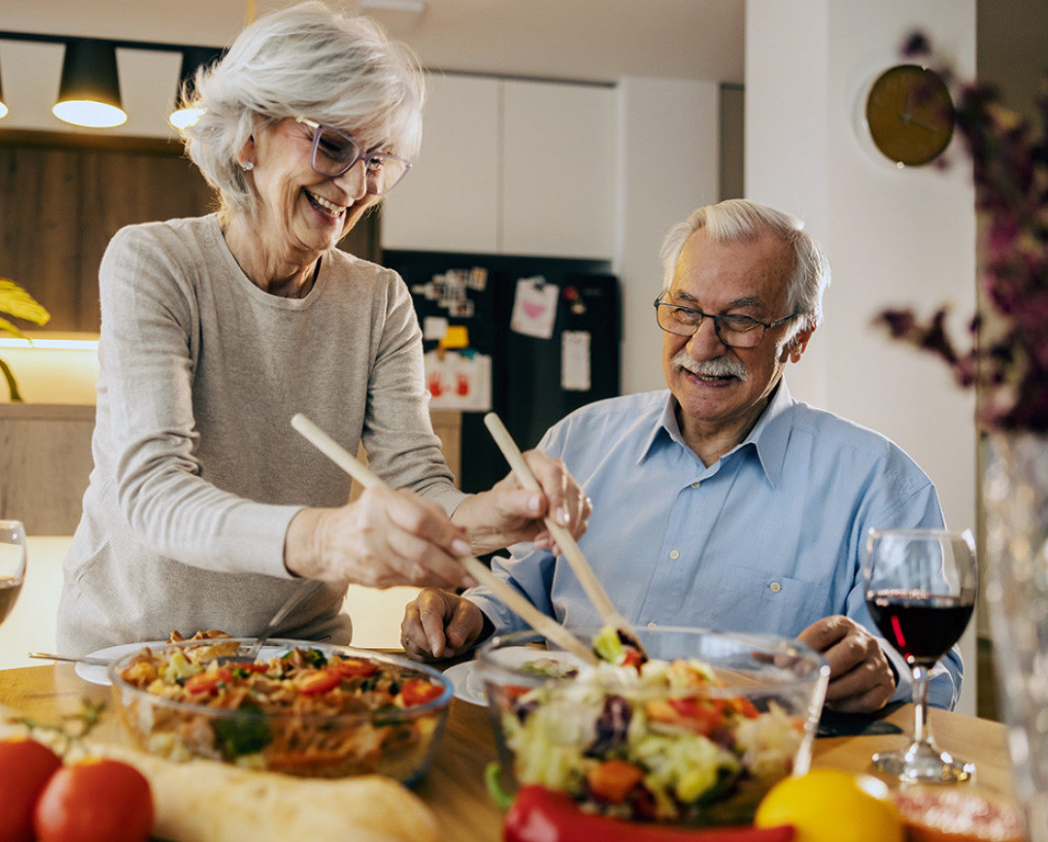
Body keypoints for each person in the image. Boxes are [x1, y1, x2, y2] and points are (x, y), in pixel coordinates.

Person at [56, 2, 588, 655]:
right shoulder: (155, 262)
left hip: (297, 655)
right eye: (333, 144)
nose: (356, 183)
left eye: (379, 159)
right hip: (134, 647)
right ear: (248, 136)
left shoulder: (377, 298)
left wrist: (492, 514)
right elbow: (152, 489)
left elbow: (413, 479)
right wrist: (324, 541)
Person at [402, 199, 962, 713]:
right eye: (685, 311)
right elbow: (521, 595)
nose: (701, 346)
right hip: (568, 752)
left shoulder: (882, 484)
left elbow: (935, 676)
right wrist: (471, 617)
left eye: (741, 320)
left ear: (799, 336)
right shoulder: (581, 440)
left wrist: (884, 669)